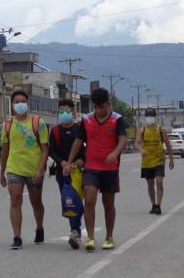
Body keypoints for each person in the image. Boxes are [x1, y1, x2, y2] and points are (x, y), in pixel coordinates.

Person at [64, 88, 128, 252]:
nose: (99, 111)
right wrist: (69, 162)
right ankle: (90, 238)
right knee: (90, 200)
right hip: (91, 167)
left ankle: (109, 236)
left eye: (103, 107)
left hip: (110, 169)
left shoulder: (117, 119)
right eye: (97, 107)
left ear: (109, 104)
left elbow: (122, 140)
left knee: (108, 204)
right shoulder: (87, 120)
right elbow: (78, 141)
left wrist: (115, 153)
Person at [0, 89, 49, 250]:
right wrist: (2, 172)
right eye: (16, 102)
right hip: (14, 168)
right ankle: (17, 237)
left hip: (34, 169)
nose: (20, 104)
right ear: (12, 104)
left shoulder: (37, 122)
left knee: (36, 202)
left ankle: (39, 227)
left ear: (27, 104)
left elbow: (45, 148)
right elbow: (5, 149)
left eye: (23, 101)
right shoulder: (8, 124)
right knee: (15, 200)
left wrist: (40, 169)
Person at [49, 99, 85, 249]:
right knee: (69, 202)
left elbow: (86, 150)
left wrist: (80, 161)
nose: (64, 114)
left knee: (78, 203)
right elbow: (52, 151)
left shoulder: (80, 130)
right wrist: (63, 162)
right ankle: (75, 231)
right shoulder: (55, 131)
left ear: (73, 112)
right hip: (62, 173)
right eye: (61, 111)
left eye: (67, 111)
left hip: (79, 173)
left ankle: (76, 230)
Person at [134, 108, 174, 215]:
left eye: (151, 116)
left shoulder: (161, 130)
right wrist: (141, 150)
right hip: (147, 161)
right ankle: (153, 205)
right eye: (148, 116)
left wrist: (171, 159)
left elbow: (168, 145)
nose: (149, 118)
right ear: (145, 117)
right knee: (150, 184)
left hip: (159, 159)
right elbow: (137, 143)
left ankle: (158, 205)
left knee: (159, 181)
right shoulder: (142, 130)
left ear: (155, 117)